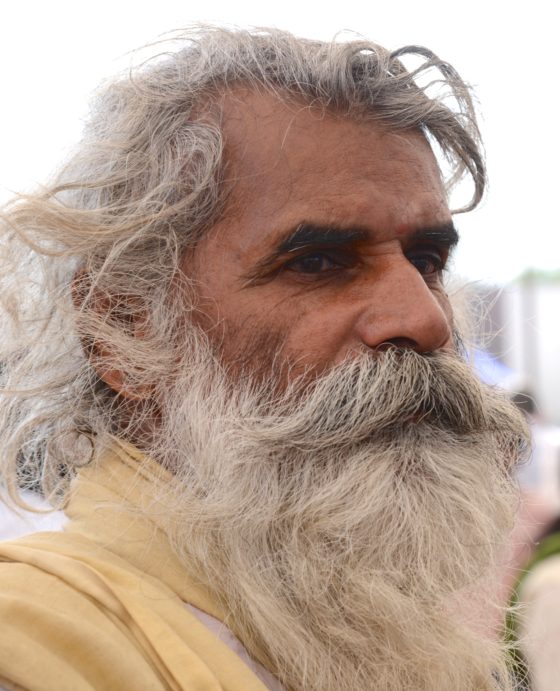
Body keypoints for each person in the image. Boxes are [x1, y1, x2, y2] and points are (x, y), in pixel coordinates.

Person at [0, 26, 530, 691]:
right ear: (123, 328)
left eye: (426, 259)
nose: (424, 317)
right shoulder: (33, 640)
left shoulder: (384, 633)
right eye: (318, 261)